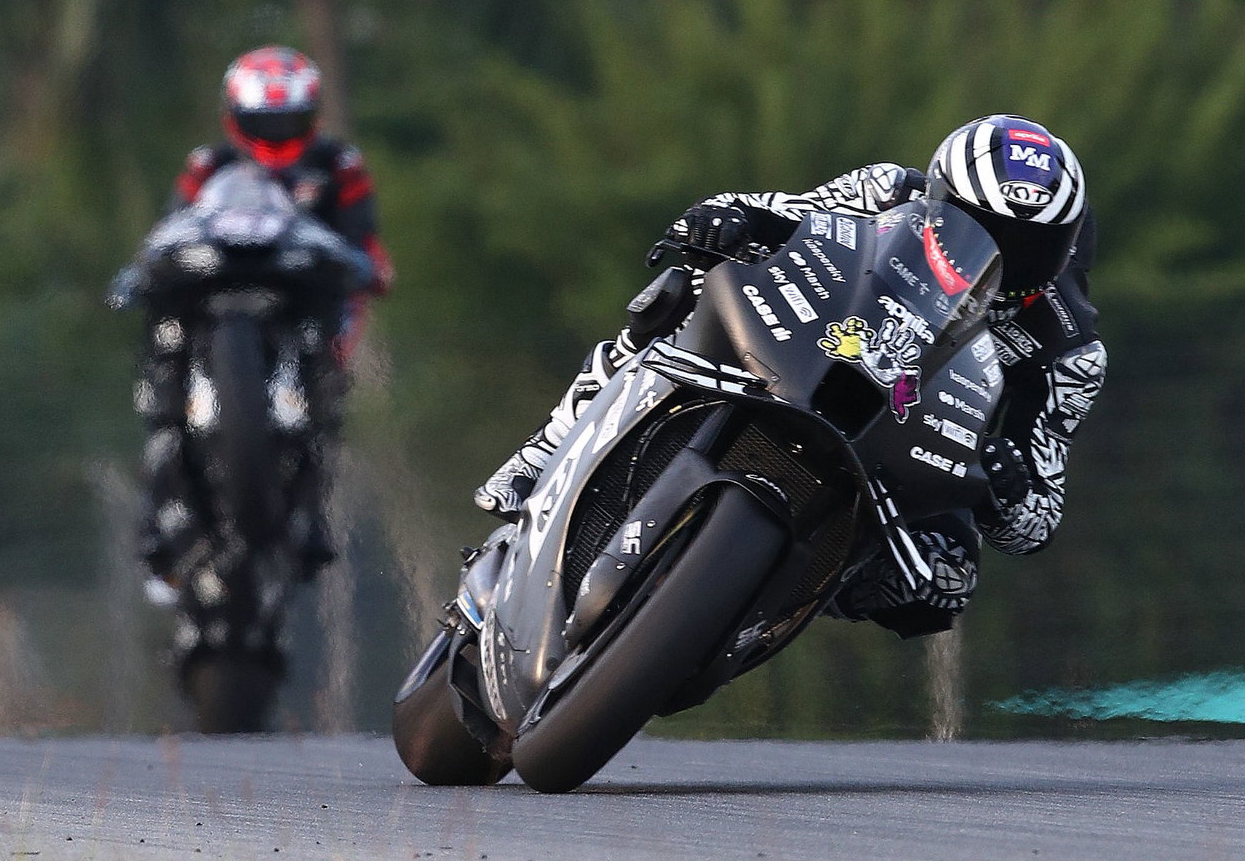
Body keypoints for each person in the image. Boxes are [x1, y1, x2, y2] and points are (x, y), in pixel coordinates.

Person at [474, 113, 1107, 638]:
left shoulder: (1071, 351)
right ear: (937, 196)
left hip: (904, 452)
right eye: (980, 229)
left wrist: (1007, 487)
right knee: (680, 287)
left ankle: (759, 601)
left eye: (1029, 247)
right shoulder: (888, 191)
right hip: (797, 351)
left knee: (945, 581)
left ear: (1067, 246)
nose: (999, 259)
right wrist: (724, 220)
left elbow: (1038, 521)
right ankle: (546, 450)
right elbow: (778, 212)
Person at [117, 45, 392, 586]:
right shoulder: (208, 164)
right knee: (162, 337)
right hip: (216, 285)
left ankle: (310, 512)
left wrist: (369, 268)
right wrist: (140, 271)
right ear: (234, 118)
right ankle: (160, 501)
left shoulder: (340, 165)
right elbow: (171, 229)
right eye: (262, 121)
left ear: (310, 116)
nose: (275, 133)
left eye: (287, 120)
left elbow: (364, 239)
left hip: (302, 294)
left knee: (329, 395)